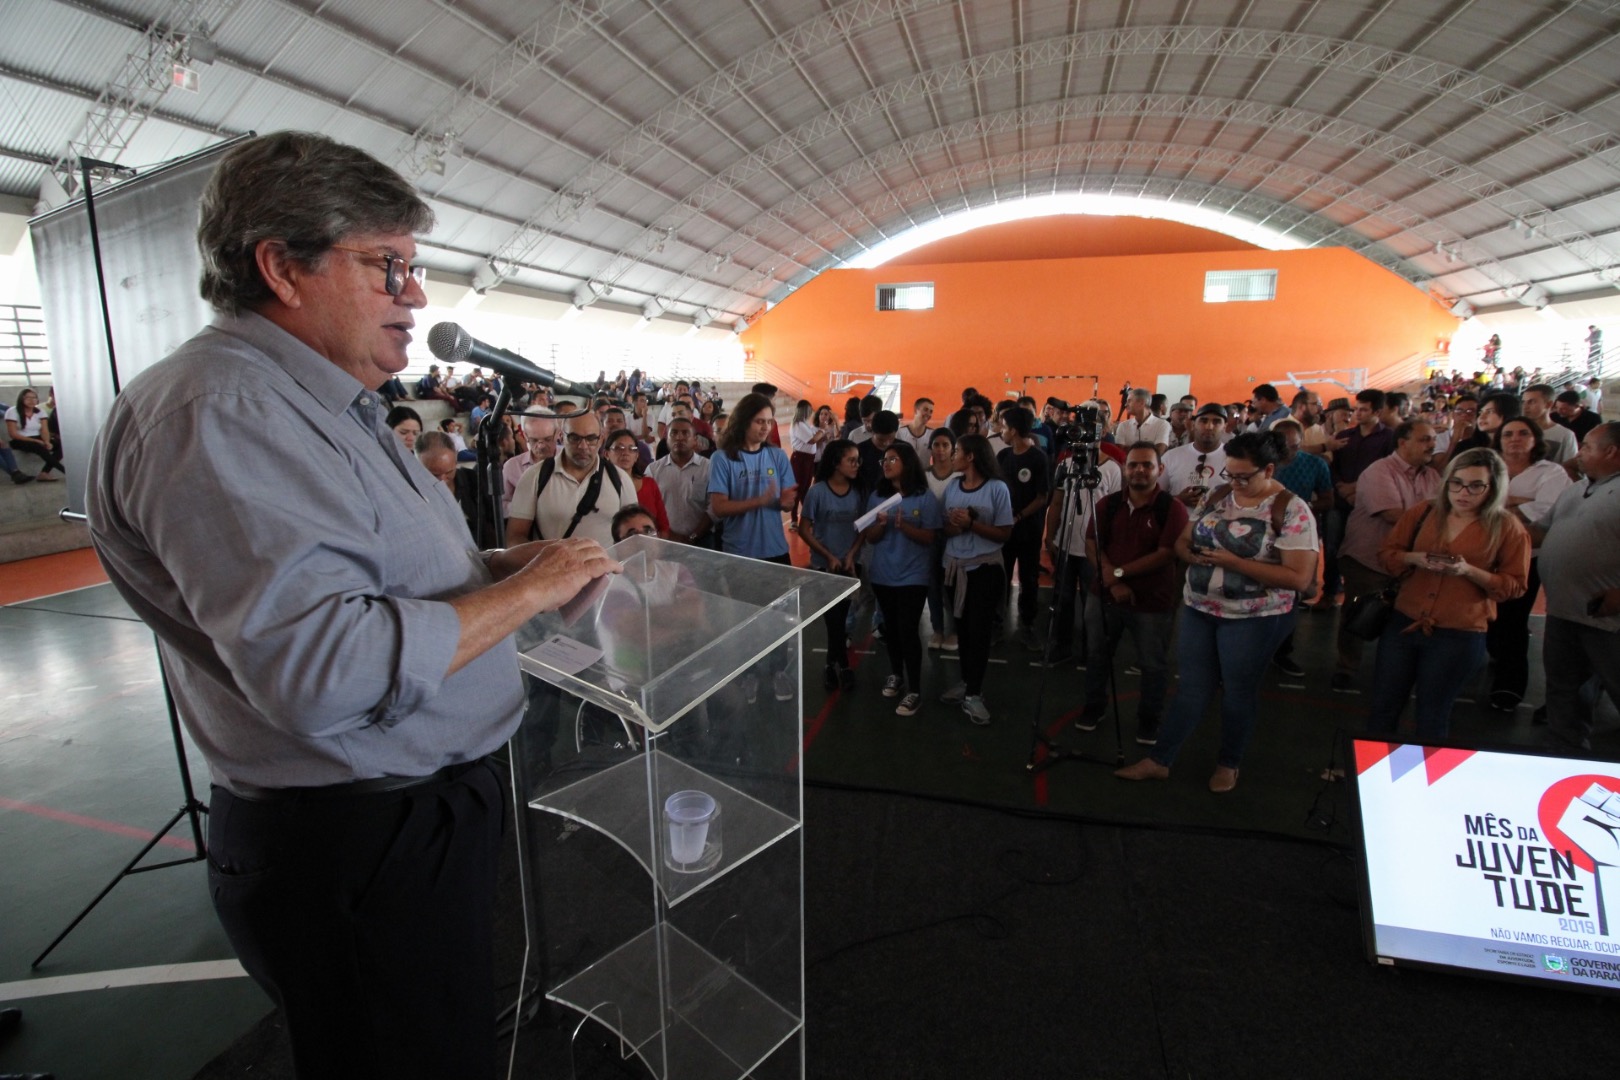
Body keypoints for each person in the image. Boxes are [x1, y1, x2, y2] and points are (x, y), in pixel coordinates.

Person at [83, 131, 620, 1080]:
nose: (414, 296)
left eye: (411, 268)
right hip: (357, 844)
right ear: (281, 267)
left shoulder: (320, 404)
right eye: (388, 266)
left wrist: (510, 564)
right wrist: (530, 590)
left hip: (411, 823)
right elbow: (323, 668)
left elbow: (381, 581)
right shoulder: (223, 415)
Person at [1116, 431, 1318, 792]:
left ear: (1268, 469)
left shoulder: (1291, 509)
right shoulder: (1219, 494)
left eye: (1245, 477)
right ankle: (1161, 759)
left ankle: (1229, 762)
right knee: (1191, 687)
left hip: (1253, 618)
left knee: (1238, 692)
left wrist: (1233, 563)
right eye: (1231, 474)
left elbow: (1300, 578)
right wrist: (1187, 553)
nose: (1236, 483)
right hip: (1200, 607)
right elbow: (1184, 537)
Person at [1367, 448, 1529, 738]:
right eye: (1456, 482)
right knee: (1383, 706)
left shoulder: (1507, 528)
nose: (1463, 492)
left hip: (1458, 634)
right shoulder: (1423, 512)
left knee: (1432, 714)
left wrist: (1470, 571)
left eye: (1476, 485)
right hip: (1403, 625)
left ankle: (1423, 778)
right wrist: (1412, 558)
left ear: (1493, 488)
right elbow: (1387, 555)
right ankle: (1370, 774)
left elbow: (1515, 586)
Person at [1074, 443, 1187, 745]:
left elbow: (1166, 553)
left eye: (1147, 465)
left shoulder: (1171, 508)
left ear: (1159, 470)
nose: (1139, 470)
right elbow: (1091, 544)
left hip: (1152, 602)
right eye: (1133, 465)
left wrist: (1120, 574)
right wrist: (1112, 580)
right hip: (1104, 596)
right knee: (1097, 656)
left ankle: (1149, 720)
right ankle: (1093, 707)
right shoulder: (1108, 505)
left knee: (1153, 664)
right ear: (1125, 470)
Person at [1527, 422, 1620, 751]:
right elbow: (1541, 531)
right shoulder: (1575, 489)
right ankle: (1565, 752)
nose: (1579, 453)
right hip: (1564, 611)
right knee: (1563, 688)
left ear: (1611, 452)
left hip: (1607, 619)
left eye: (1588, 448)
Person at [1333, 420, 1440, 691]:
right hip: (1368, 559)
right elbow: (1393, 515)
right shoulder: (1379, 471)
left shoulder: (1433, 477)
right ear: (1402, 443)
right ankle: (1347, 668)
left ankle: (1392, 670)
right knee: (1359, 616)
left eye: (1433, 439)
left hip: (1409, 562)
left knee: (1400, 619)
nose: (1432, 445)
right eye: (1425, 439)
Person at [1481, 418, 1570, 712]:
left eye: (1523, 433)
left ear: (1536, 439)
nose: (1514, 439)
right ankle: (1491, 657)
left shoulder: (1552, 472)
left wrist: (1498, 504)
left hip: (1525, 559)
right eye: (1508, 434)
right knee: (1483, 616)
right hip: (1481, 555)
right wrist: (1520, 503)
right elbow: (1469, 503)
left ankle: (1510, 684)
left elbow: (1544, 516)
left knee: (1513, 620)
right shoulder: (1488, 467)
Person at [938, 434, 1013, 724]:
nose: (951, 455)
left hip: (983, 570)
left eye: (956, 451)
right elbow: (945, 528)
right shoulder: (953, 488)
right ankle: (968, 681)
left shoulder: (997, 489)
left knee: (978, 632)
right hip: (954, 568)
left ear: (970, 457)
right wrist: (955, 527)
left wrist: (972, 524)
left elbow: (1005, 534)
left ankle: (974, 694)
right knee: (962, 631)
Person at [861, 442, 941, 715]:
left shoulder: (924, 498)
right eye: (884, 459)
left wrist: (903, 526)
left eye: (892, 459)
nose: (886, 463)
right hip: (883, 574)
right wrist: (881, 526)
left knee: (908, 630)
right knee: (891, 629)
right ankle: (896, 674)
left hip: (913, 576)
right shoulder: (877, 497)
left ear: (907, 463)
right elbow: (869, 537)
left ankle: (914, 690)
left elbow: (930, 537)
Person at [506, 403, 638, 547]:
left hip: (606, 569)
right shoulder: (534, 477)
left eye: (591, 439)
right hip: (552, 568)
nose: (583, 446)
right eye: (575, 438)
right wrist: (545, 561)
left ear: (601, 440)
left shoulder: (620, 480)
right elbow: (515, 537)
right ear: (562, 437)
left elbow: (633, 537)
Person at [801, 440, 864, 690]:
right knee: (833, 621)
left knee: (841, 617)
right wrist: (827, 556)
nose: (856, 465)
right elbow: (805, 530)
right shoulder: (817, 492)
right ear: (836, 463)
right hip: (824, 567)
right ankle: (842, 666)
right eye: (851, 460)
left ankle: (832, 665)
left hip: (848, 565)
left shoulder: (858, 492)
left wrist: (851, 555)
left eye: (857, 460)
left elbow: (862, 528)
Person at [995, 406, 1050, 650]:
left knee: (1028, 577)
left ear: (1014, 430)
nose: (1000, 431)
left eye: (1004, 427)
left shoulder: (1038, 458)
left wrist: (1018, 516)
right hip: (1005, 530)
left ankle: (1027, 626)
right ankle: (997, 624)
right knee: (1001, 575)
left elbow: (1042, 497)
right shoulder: (1003, 457)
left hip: (1029, 530)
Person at [646, 417, 714, 547]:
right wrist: (670, 535)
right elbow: (650, 509)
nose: (679, 437)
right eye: (674, 433)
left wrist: (694, 535)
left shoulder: (709, 467)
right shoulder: (653, 470)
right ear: (667, 440)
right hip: (665, 539)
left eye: (685, 433)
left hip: (702, 540)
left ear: (695, 440)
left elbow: (713, 507)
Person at [923, 427, 959, 651]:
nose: (941, 449)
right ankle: (937, 629)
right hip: (929, 538)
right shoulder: (924, 475)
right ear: (931, 448)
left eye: (945, 445)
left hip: (954, 538)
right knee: (932, 585)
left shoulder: (960, 477)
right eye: (936, 445)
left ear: (953, 449)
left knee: (952, 585)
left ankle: (955, 631)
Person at [605, 428, 670, 537]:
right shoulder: (601, 487)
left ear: (637, 455)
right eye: (619, 448)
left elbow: (663, 526)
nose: (625, 453)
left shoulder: (649, 484)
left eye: (632, 449)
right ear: (606, 454)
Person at [501, 412, 557, 518]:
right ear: (525, 435)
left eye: (547, 439)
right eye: (534, 440)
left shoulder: (569, 460)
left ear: (557, 433)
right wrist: (527, 509)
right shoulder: (512, 466)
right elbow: (502, 505)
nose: (540, 446)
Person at [6, 388, 63, 481]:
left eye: (34, 398)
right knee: (39, 447)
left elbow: (44, 430)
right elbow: (13, 434)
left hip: (37, 438)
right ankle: (65, 471)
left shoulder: (40, 412)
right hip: (20, 440)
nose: (32, 400)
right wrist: (36, 441)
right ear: (21, 398)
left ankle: (44, 473)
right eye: (28, 398)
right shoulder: (12, 411)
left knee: (62, 446)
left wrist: (47, 441)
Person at [788, 399, 827, 526]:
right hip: (801, 459)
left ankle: (807, 517)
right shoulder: (798, 424)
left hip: (807, 459)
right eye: (810, 410)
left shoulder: (804, 424)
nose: (811, 412)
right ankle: (794, 519)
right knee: (798, 489)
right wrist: (822, 431)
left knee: (804, 489)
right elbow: (812, 440)